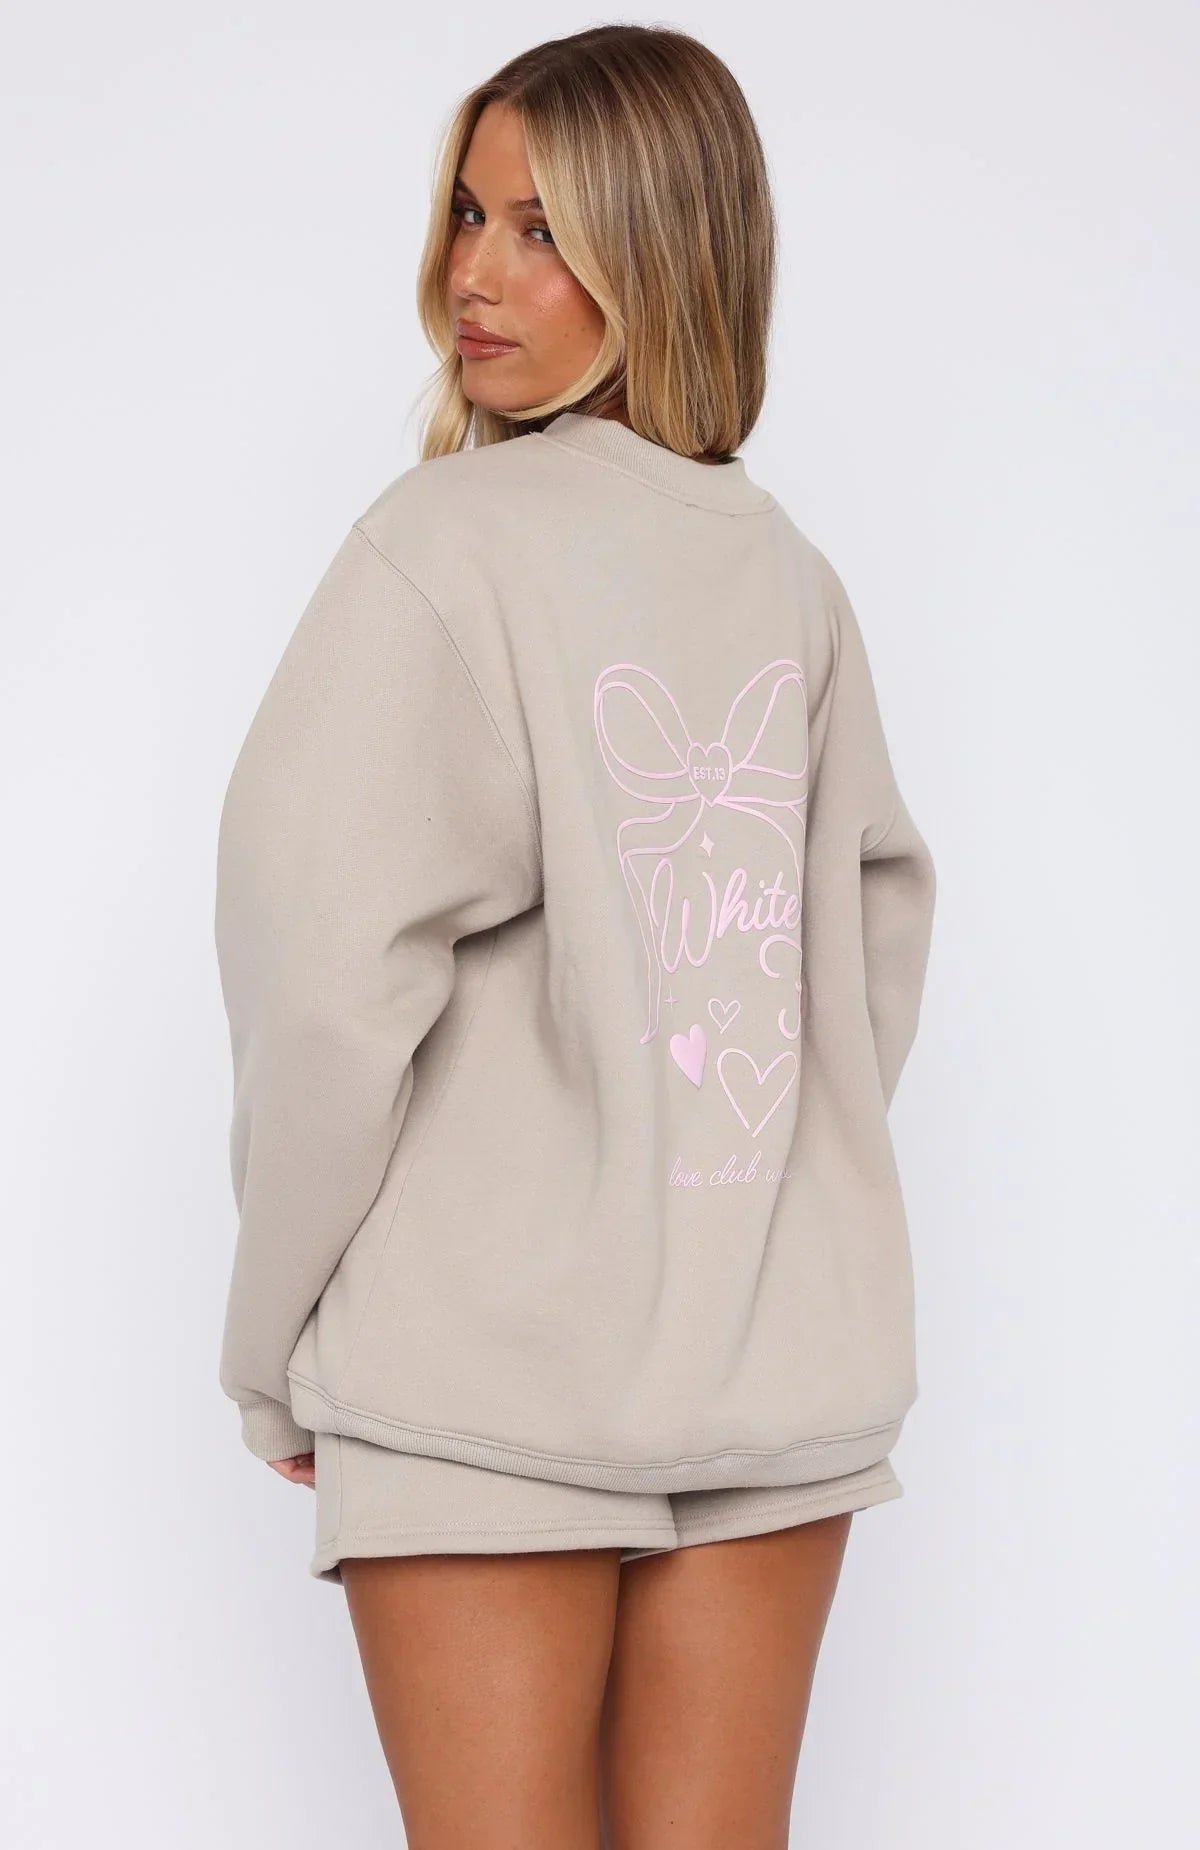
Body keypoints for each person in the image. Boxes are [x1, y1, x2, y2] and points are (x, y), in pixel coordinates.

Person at [212, 22, 937, 1848]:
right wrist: (739, 1191)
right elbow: (865, 948)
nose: (474, 272)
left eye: (544, 230)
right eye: (470, 212)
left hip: (488, 1387)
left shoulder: (442, 549)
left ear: (665, 250)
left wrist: (268, 1338)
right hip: (769, 1370)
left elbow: (323, 984)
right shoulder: (789, 576)